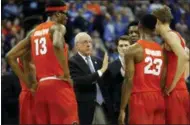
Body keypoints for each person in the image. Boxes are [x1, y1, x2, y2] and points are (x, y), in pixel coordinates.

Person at [6, 0, 79, 124]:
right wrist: (66, 74)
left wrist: (27, 83)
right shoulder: (58, 27)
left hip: (41, 89)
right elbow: (56, 43)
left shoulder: (33, 33)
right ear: (57, 14)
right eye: (65, 14)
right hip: (59, 85)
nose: (67, 17)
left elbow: (10, 56)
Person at [118, 14, 165, 124]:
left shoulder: (133, 49)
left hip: (141, 98)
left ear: (139, 26)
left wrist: (122, 109)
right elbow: (163, 77)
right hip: (158, 97)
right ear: (154, 28)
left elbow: (128, 80)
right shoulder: (161, 50)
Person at [152, 5, 190, 124]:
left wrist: (173, 84)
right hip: (179, 89)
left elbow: (184, 57)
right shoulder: (177, 35)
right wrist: (182, 79)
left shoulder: (169, 35)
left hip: (173, 91)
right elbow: (187, 57)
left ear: (157, 21)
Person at [69, 32, 114, 124]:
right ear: (77, 45)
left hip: (103, 104)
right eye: (85, 42)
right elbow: (80, 81)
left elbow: (107, 80)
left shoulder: (97, 60)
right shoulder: (72, 62)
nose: (89, 44)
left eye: (90, 42)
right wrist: (101, 71)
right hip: (85, 105)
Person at [103, 35, 131, 124]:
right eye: (121, 46)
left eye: (126, 45)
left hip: (135, 106)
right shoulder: (110, 67)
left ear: (131, 47)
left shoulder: (137, 65)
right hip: (117, 109)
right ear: (117, 48)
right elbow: (107, 91)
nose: (124, 48)